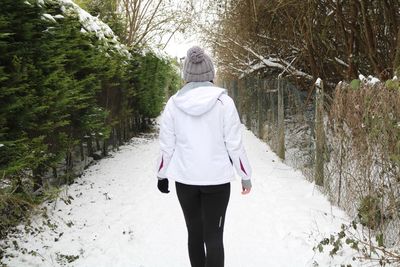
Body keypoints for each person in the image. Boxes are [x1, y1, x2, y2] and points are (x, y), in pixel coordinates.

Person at [156, 46, 252, 267]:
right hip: (217, 182)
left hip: (185, 182)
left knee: (194, 234)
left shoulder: (173, 104)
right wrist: (245, 176)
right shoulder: (224, 103)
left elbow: (166, 146)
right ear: (211, 74)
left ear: (186, 76)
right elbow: (235, 145)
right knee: (214, 237)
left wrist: (161, 176)